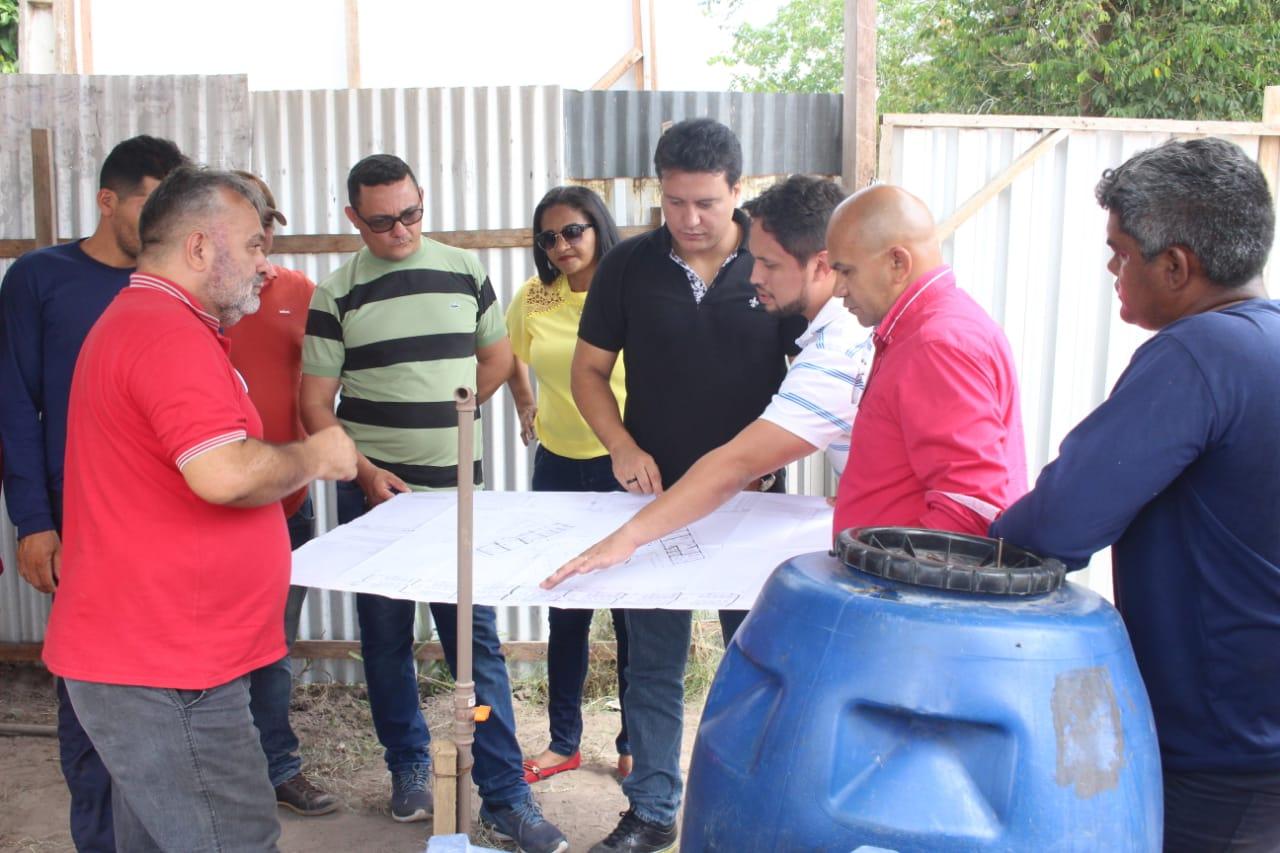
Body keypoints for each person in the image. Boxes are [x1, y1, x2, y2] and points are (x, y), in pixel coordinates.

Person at [41, 167, 358, 852]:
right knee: (233, 836)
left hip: (159, 657)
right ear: (197, 248)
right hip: (166, 665)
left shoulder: (153, 321)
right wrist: (315, 454)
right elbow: (221, 474)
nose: (263, 264)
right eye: (250, 245)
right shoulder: (165, 333)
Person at [990, 138, 1280, 853]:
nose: (1113, 269)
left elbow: (1057, 523)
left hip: (1219, 753)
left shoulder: (1199, 354)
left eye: (1121, 252)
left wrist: (988, 541)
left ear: (1176, 266)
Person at [299, 154, 567, 853]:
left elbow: (498, 357)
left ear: (424, 200)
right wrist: (362, 470)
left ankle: (507, 796)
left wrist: (463, 403)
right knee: (386, 639)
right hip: (374, 500)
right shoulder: (336, 293)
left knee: (473, 645)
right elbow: (311, 405)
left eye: (411, 213)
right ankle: (408, 765)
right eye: (382, 220)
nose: (401, 229)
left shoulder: (463, 270)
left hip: (456, 499)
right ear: (353, 218)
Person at [571, 119, 804, 853]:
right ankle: (650, 811)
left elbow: (820, 378)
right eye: (675, 202)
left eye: (706, 202)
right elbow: (587, 371)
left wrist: (774, 452)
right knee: (652, 665)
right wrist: (621, 444)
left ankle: (750, 807)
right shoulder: (629, 266)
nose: (690, 220)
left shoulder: (775, 268)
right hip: (652, 500)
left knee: (759, 662)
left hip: (757, 504)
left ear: (739, 190)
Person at [0, 134, 187, 852]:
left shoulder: (171, 282)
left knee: (166, 700)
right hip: (79, 525)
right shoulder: (39, 278)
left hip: (166, 525)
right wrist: (33, 521)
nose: (166, 218)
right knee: (90, 705)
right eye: (150, 202)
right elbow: (15, 404)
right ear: (108, 200)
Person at [546, 174, 871, 584]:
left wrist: (627, 538)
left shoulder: (835, 357)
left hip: (894, 539)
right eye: (675, 201)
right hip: (661, 491)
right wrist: (868, 486)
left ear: (821, 264)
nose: (755, 278)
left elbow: (735, 466)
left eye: (768, 265)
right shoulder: (845, 335)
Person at [504, 185, 633, 783]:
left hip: (626, 467)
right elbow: (510, 355)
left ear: (598, 227)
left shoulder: (631, 291)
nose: (560, 246)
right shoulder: (534, 298)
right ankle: (564, 741)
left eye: (572, 231)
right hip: (556, 467)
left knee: (634, 611)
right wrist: (526, 402)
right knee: (566, 610)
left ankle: (636, 741)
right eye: (548, 237)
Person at [225, 170, 339, 817]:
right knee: (215, 643)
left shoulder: (301, 292)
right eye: (252, 224)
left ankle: (278, 766)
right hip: (213, 505)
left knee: (272, 643)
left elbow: (328, 385)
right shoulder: (199, 300)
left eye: (268, 225)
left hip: (287, 505)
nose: (263, 237)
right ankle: (228, 772)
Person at [826, 184, 1026, 536]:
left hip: (904, 588)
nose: (838, 289)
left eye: (846, 271)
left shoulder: (936, 343)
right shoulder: (928, 329)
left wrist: (891, 586)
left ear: (897, 263)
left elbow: (969, 508)